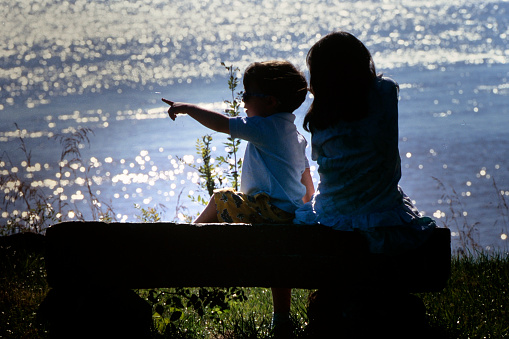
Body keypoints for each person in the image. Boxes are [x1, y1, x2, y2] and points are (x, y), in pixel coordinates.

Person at [162, 60, 314, 334]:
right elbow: (307, 183)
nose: (242, 100)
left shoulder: (264, 127)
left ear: (269, 102)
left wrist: (187, 108)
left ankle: (186, 238)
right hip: (288, 215)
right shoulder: (295, 135)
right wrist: (305, 212)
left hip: (268, 212)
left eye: (247, 94)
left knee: (221, 198)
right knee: (281, 268)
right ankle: (280, 320)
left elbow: (221, 124)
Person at [294, 31, 436, 254]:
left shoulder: (320, 116)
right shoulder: (386, 92)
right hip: (382, 212)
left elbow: (319, 159)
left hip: (333, 214)